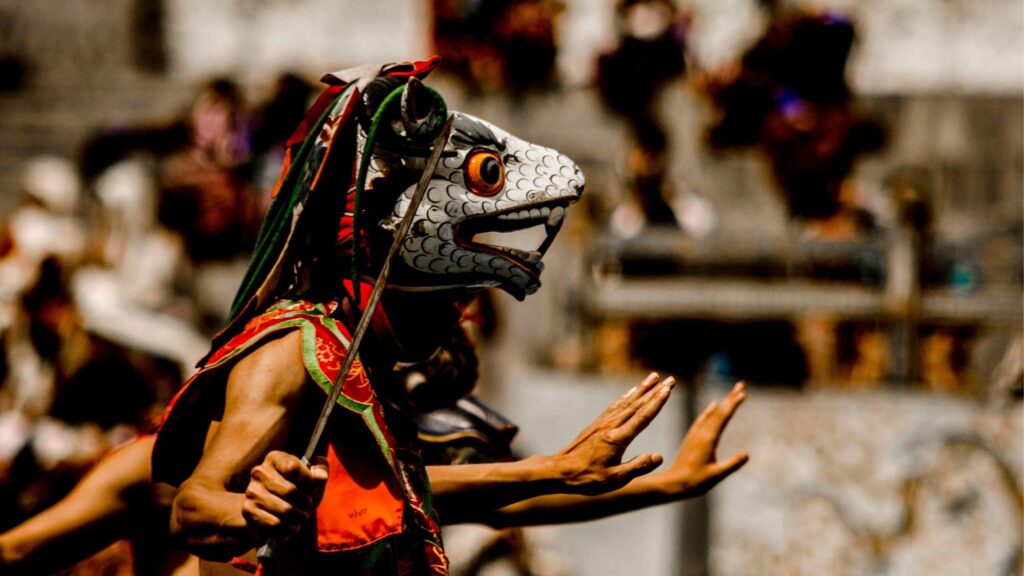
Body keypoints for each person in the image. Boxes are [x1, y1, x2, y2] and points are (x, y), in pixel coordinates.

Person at [152, 58, 748, 574]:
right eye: (449, 302)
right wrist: (250, 509)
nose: (458, 321)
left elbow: (459, 496)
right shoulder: (296, 347)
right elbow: (195, 504)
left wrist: (654, 482)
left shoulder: (366, 366)